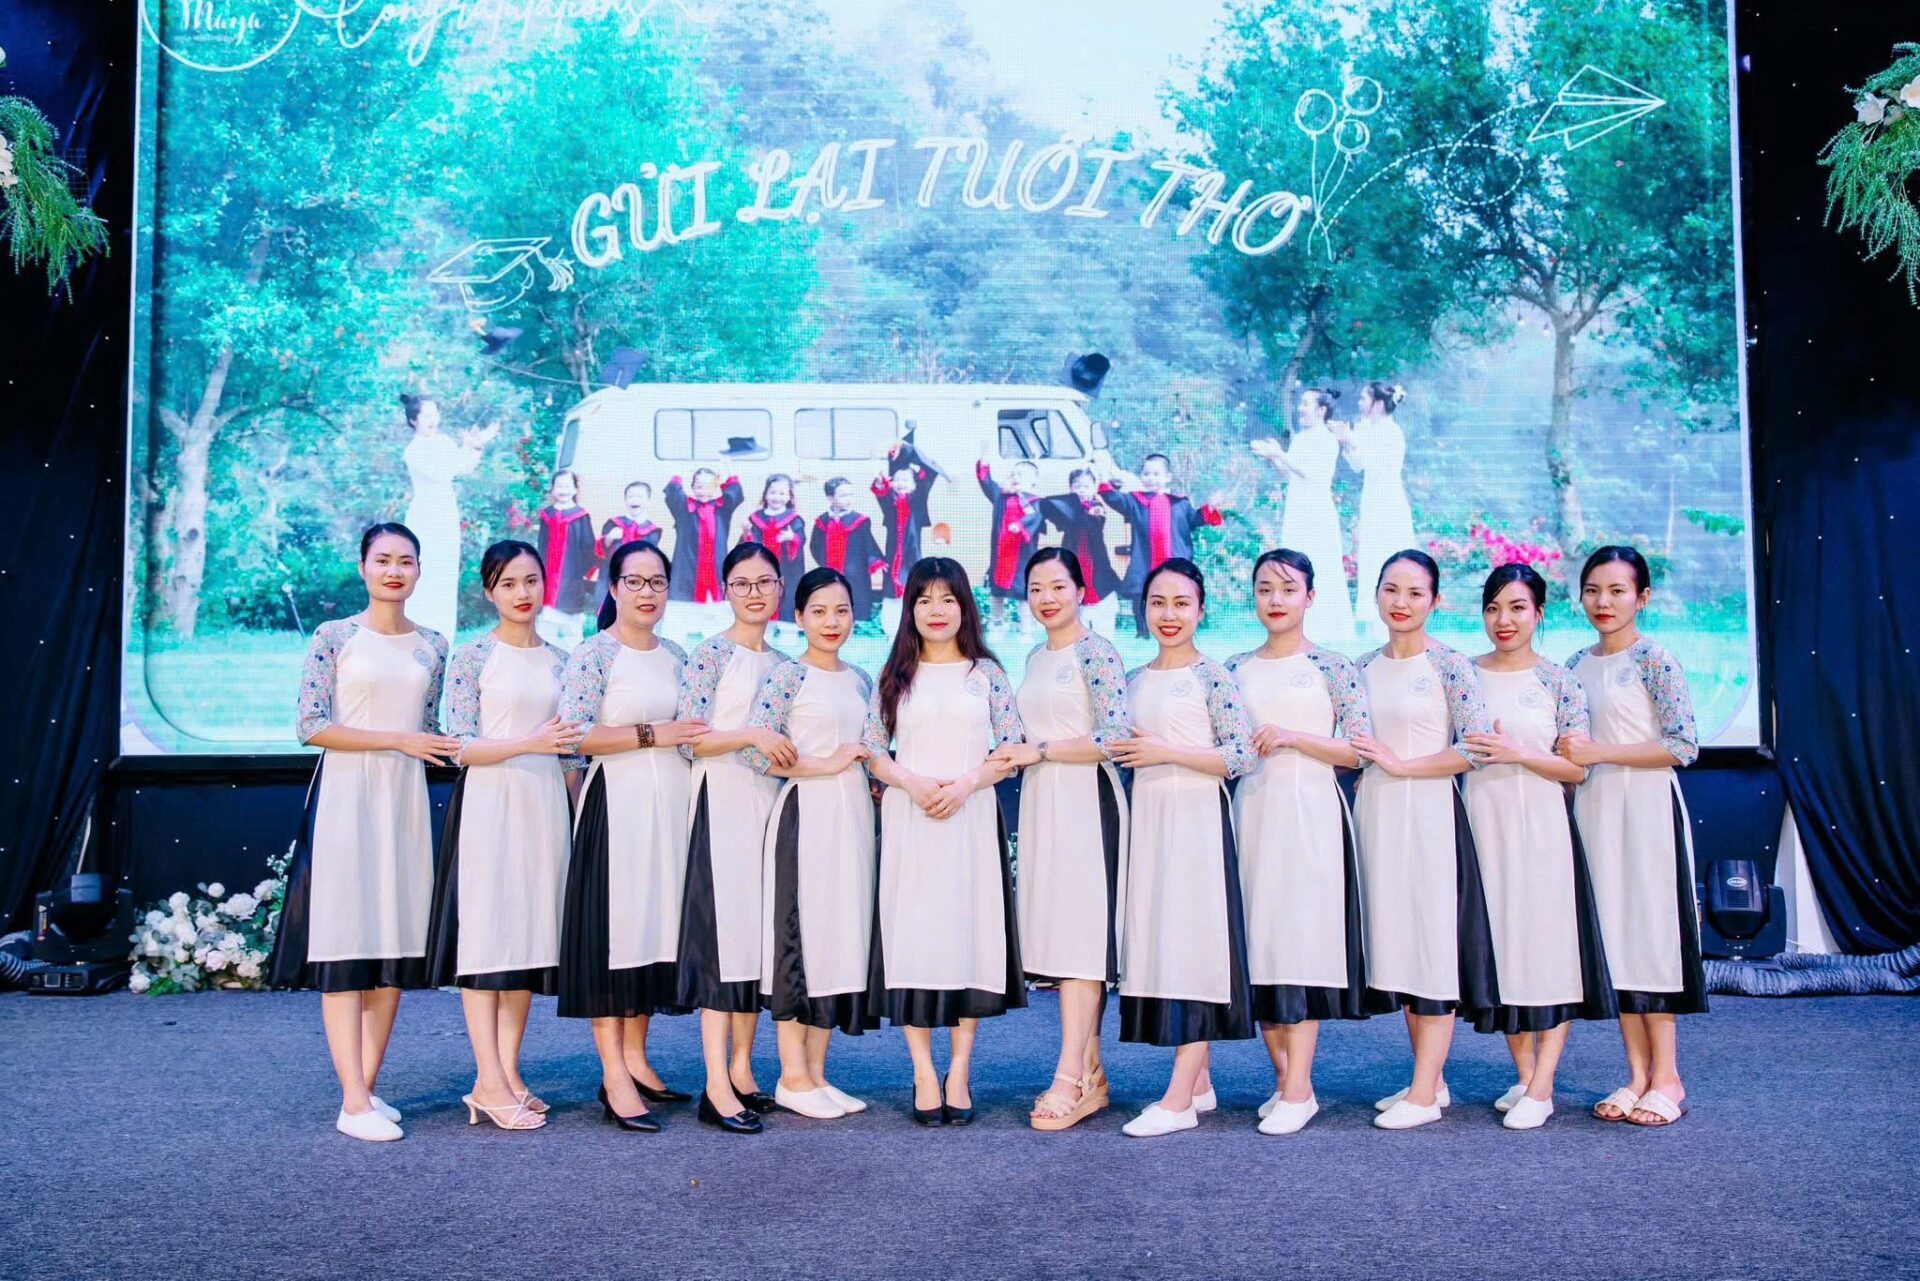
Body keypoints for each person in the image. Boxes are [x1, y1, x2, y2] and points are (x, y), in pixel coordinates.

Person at [269, 522, 456, 1142]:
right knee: (346, 941)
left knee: (393, 943)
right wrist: (397, 739)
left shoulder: (434, 644)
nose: (394, 571)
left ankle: (367, 1090)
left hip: (404, 802)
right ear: (363, 567)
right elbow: (311, 725)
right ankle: (352, 1101)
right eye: (383, 560)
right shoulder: (335, 637)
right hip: (347, 798)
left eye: (406, 561)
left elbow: (432, 731)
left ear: (419, 570)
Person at [425, 539, 582, 1132]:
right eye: (508, 583)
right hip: (491, 806)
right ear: (489, 592)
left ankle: (508, 1075)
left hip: (546, 808)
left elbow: (571, 754)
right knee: (488, 941)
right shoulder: (473, 658)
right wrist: (529, 742)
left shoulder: (565, 660)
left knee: (528, 943)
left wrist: (576, 812)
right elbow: (460, 746)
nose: (522, 593)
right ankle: (488, 1080)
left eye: (531, 581)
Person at [862, 557, 1025, 1125]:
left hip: (969, 818)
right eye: (924, 599)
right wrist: (910, 782)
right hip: (911, 821)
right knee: (913, 938)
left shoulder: (987, 674)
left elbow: (1012, 748)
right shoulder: (895, 675)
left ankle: (959, 1070)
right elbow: (871, 748)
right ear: (910, 609)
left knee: (967, 937)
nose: (936, 610)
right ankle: (923, 1072)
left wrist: (965, 784)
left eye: (948, 599)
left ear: (964, 607)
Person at [1458, 563, 1617, 1130]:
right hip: (1481, 826)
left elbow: (1577, 769)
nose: (1504, 619)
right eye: (1493, 608)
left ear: (1539, 613)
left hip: (1542, 829)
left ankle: (1543, 1084)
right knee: (1503, 952)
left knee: (1548, 954)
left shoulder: (1559, 681)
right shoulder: (1462, 674)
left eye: (1517, 607)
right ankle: (1526, 1078)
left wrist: (1518, 753)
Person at [557, 540, 707, 1133]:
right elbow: (574, 735)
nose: (647, 593)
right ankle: (613, 1075)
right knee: (614, 937)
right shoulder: (594, 654)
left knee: (653, 933)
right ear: (614, 588)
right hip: (614, 807)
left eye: (657, 582)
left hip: (670, 807)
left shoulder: (679, 656)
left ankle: (638, 1061)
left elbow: (695, 731)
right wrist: (653, 733)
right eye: (635, 581)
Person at [1111, 558, 1259, 1138]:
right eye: (1158, 603)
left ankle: (1177, 1100)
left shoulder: (1212, 677)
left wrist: (1167, 751)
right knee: (1161, 946)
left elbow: (1241, 755)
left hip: (1198, 824)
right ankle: (1199, 1084)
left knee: (1195, 949)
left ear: (1201, 611)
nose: (1168, 614)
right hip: (1148, 824)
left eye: (1181, 603)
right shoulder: (1131, 679)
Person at [1225, 549, 1372, 1136]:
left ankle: (1296, 1085)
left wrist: (1292, 737)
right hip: (1252, 814)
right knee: (1260, 943)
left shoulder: (1333, 667)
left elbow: (1358, 749)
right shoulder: (1232, 668)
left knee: (1303, 944)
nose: (1276, 599)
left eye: (1289, 589)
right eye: (1265, 589)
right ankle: (1290, 1083)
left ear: (1310, 597)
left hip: (1311, 814)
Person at [1350, 548, 1496, 1131]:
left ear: (1435, 601)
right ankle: (1429, 1081)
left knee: (1432, 947)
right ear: (1376, 595)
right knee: (1398, 948)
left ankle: (1423, 1092)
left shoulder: (1451, 666)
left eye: (1415, 593)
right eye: (1391, 590)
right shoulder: (1360, 666)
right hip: (1375, 815)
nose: (1401, 603)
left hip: (1432, 814)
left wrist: (1406, 766)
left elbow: (1477, 746)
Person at [1561, 545, 1705, 1129]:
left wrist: (1601, 752)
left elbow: (1683, 745)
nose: (1604, 601)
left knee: (1651, 937)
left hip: (1646, 809)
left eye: (1617, 590)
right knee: (1616, 941)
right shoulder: (1574, 664)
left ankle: (1668, 1077)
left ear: (1641, 598)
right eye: (1593, 590)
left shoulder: (1654, 659)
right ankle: (1637, 1074)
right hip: (1594, 811)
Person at [989, 548, 1131, 1132]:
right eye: (1036, 589)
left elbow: (1115, 736)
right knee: (1061, 935)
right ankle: (1091, 1071)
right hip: (1043, 801)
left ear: (1081, 591)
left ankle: (1070, 1076)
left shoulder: (1097, 652)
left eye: (1058, 586)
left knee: (1081, 940)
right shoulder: (1034, 656)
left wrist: (1041, 751)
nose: (1047, 598)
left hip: (1087, 799)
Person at [742, 567, 879, 1120]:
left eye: (841, 610)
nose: (831, 622)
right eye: (818, 611)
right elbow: (755, 752)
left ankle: (816, 1075)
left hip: (854, 821)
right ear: (798, 617)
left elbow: (873, 748)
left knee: (840, 942)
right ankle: (792, 1077)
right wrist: (825, 764)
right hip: (805, 817)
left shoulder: (861, 679)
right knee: (799, 940)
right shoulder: (786, 676)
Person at [672, 544, 793, 1135]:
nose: (754, 593)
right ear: (725, 591)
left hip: (770, 804)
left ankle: (743, 1070)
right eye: (742, 583)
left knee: (757, 942)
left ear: (780, 588)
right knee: (722, 943)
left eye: (764, 582)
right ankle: (715, 1086)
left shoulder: (788, 662)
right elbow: (689, 739)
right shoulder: (710, 655)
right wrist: (750, 734)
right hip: (720, 800)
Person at [1249, 389, 1357, 642]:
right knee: (1294, 563)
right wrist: (1273, 457)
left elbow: (1312, 474)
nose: (1301, 408)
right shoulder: (1301, 438)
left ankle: (1326, 627)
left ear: (1321, 410)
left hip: (1316, 512)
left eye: (1306, 404)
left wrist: (1280, 454)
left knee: (1318, 564)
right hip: (1297, 509)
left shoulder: (1327, 440)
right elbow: (1288, 473)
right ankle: (1297, 624)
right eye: (1301, 403)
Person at [399, 394, 498, 640]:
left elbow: (464, 467)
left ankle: (443, 637)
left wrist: (476, 446)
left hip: (446, 514)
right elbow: (443, 472)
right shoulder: (413, 451)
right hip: (425, 517)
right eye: (426, 415)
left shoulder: (443, 441)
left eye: (435, 414)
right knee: (424, 573)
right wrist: (467, 446)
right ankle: (414, 634)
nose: (432, 420)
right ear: (413, 420)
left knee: (445, 574)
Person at [1098, 454, 1222, 638]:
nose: (1150, 478)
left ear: (1167, 477)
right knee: (1141, 593)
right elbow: (1115, 499)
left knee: (1176, 594)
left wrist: (1210, 508)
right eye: (1146, 474)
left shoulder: (1179, 503)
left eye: (1156, 474)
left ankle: (1176, 626)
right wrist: (1104, 481)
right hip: (1144, 559)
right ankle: (1143, 632)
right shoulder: (1135, 501)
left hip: (1174, 559)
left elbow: (1194, 520)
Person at [1337, 381, 1416, 631]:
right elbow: (1357, 464)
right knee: (1371, 556)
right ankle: (1374, 617)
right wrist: (1347, 442)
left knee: (1390, 555)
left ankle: (1397, 615)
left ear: (1379, 403)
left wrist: (1352, 441)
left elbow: (1376, 464)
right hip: (1371, 500)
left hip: (1388, 502)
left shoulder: (1391, 432)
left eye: (1364, 398)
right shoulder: (1366, 428)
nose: (1360, 403)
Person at [1039, 467, 1123, 636]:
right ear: (1071, 489)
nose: (1082, 490)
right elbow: (1046, 505)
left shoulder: (1097, 507)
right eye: (1077, 486)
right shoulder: (1068, 510)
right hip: (1074, 565)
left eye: (1086, 486)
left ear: (1094, 487)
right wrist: (1071, 504)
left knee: (1103, 623)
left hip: (1097, 569)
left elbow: (1091, 524)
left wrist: (1093, 511)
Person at [871, 439, 942, 634]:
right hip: (893, 559)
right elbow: (881, 493)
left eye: (906, 480)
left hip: (912, 558)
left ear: (914, 485)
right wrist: (880, 481)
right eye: (897, 480)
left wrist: (909, 453)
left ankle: (915, 632)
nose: (901, 483)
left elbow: (929, 474)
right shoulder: (890, 504)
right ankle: (891, 633)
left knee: (914, 594)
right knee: (891, 597)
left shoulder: (918, 502)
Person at [662, 470, 746, 623]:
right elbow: (673, 492)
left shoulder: (722, 509)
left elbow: (734, 492)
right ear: (692, 487)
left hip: (716, 569)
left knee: (717, 618)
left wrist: (728, 475)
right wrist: (678, 476)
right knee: (682, 618)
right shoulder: (684, 508)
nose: (703, 491)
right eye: (699, 486)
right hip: (687, 569)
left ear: (716, 488)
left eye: (709, 487)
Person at [976, 459, 1047, 634]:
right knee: (996, 591)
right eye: (1013, 474)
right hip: (1001, 554)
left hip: (1022, 556)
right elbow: (986, 482)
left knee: (1023, 593)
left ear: (1033, 480)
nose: (1015, 477)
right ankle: (997, 624)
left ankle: (1026, 629)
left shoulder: (1035, 501)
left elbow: (1036, 517)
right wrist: (984, 461)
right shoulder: (1001, 496)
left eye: (1020, 474)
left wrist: (1021, 525)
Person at [535, 470, 598, 647]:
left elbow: (588, 547)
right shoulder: (546, 515)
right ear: (553, 489)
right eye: (559, 486)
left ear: (575, 489)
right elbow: (541, 545)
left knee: (572, 628)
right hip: (548, 578)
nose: (563, 490)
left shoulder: (581, 516)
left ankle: (573, 658)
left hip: (572, 577)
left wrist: (588, 573)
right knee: (546, 625)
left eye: (567, 486)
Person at [810, 478, 884, 623]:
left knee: (854, 607)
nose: (849, 499)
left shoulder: (859, 521)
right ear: (830, 498)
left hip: (855, 574)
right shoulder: (822, 522)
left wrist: (873, 562)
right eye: (843, 495)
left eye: (851, 494)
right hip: (830, 573)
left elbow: (869, 545)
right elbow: (815, 546)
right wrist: (824, 562)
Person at [739, 473, 808, 624]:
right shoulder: (755, 518)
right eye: (773, 492)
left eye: (782, 493)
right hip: (760, 569)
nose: (777, 497)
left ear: (789, 496)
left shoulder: (794, 519)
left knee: (787, 598)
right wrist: (746, 534)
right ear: (765, 494)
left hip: (786, 570)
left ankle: (786, 626)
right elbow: (745, 545)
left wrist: (792, 538)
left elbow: (801, 539)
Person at [600, 481, 662, 557]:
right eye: (630, 497)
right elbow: (601, 553)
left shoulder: (653, 531)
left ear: (648, 500)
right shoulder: (613, 523)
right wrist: (609, 538)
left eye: (639, 497)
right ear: (625, 500)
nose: (634, 500)